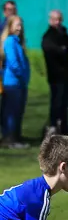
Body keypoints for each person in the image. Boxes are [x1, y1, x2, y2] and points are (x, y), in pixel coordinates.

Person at [41, 10, 68, 136]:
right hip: (55, 76)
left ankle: (64, 128)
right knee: (56, 103)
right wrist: (63, 50)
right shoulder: (48, 36)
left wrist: (64, 49)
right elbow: (52, 50)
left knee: (65, 104)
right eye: (55, 19)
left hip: (66, 75)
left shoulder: (63, 34)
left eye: (59, 19)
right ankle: (53, 127)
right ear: (50, 20)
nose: (58, 22)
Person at [0, 15, 30, 149]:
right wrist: (21, 74)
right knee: (11, 111)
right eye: (17, 25)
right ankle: (9, 138)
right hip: (13, 83)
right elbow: (13, 62)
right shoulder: (10, 42)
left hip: (20, 83)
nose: (20, 28)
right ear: (10, 26)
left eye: (21, 25)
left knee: (18, 111)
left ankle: (16, 136)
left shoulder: (18, 42)